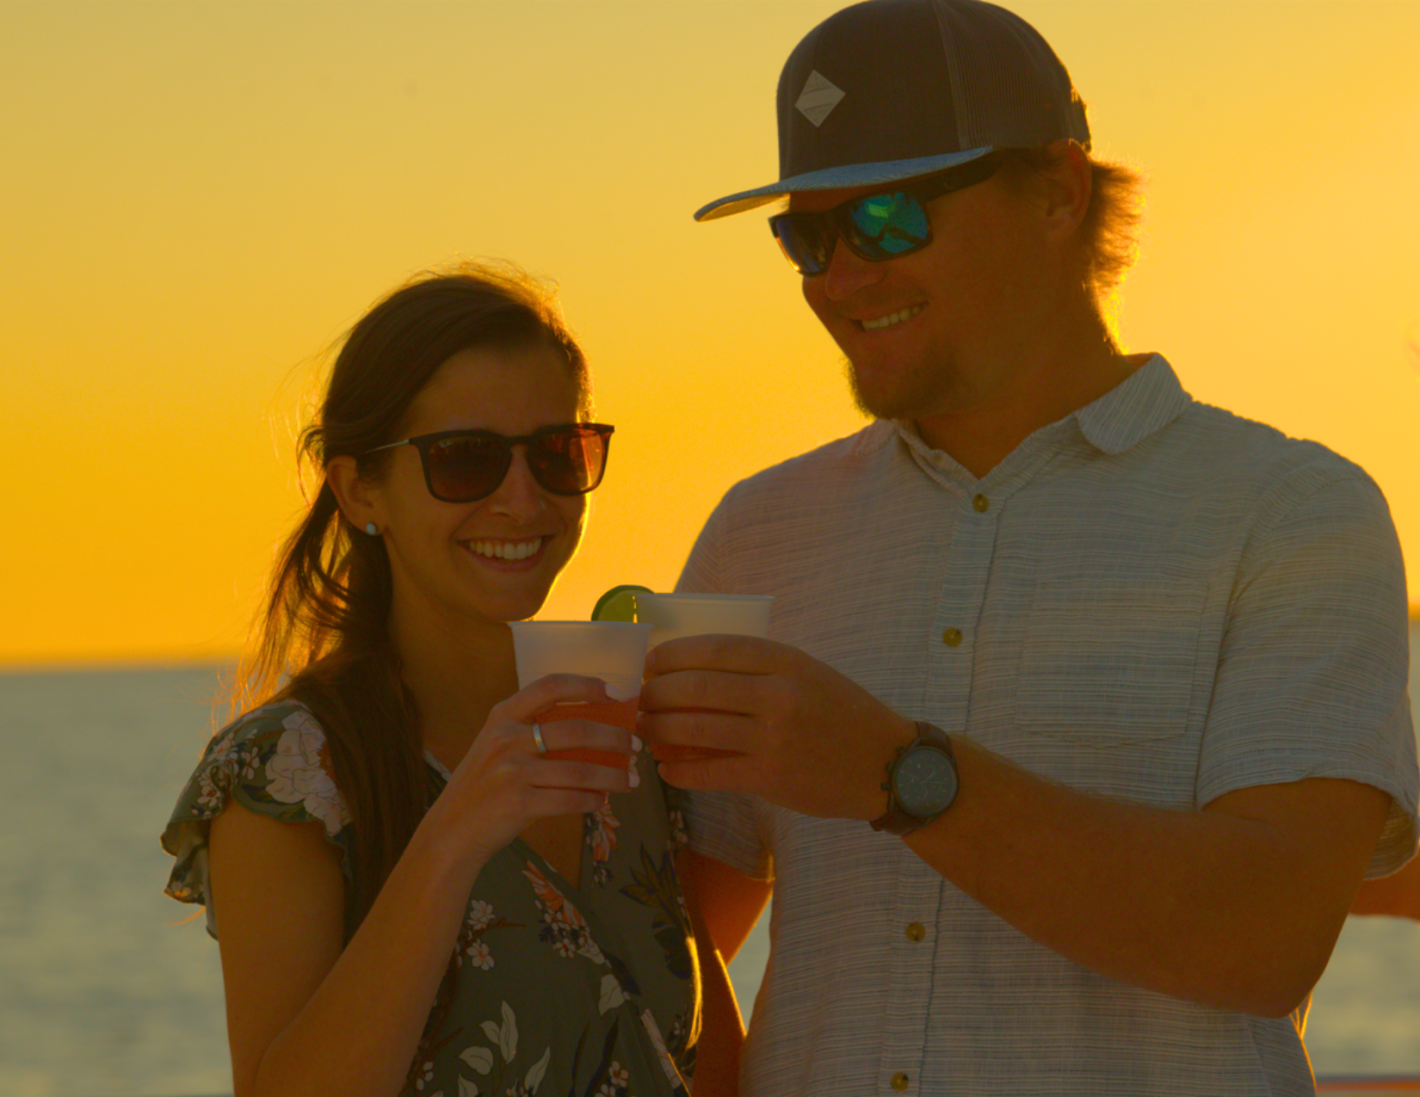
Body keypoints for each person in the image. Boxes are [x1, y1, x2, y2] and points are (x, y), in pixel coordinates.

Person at [636, 1, 1420, 1094]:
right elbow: (664, 949)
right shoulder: (752, 529)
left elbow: (1265, 935)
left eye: (888, 220)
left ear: (1060, 191)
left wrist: (890, 769)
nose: (839, 278)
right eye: (805, 237)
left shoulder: (1295, 512)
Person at [161, 264, 738, 1097]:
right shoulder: (290, 774)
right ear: (361, 489)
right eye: (465, 461)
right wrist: (455, 831)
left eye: (555, 454)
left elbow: (702, 1063)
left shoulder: (622, 734)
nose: (521, 499)